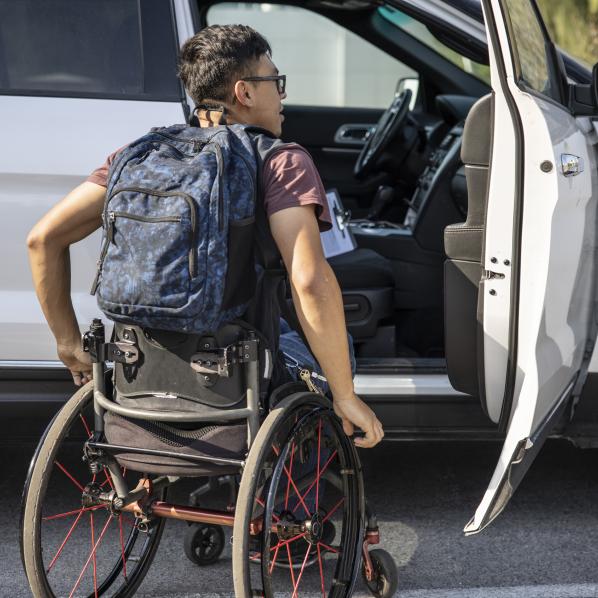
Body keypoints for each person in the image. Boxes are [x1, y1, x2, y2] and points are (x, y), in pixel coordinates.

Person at [27, 24, 384, 448]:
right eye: (276, 81)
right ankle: (297, 494)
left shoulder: (138, 155)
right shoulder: (281, 161)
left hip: (138, 366)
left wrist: (69, 344)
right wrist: (345, 396)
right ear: (244, 92)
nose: (283, 95)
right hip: (235, 368)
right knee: (334, 339)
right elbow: (308, 280)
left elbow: (42, 239)